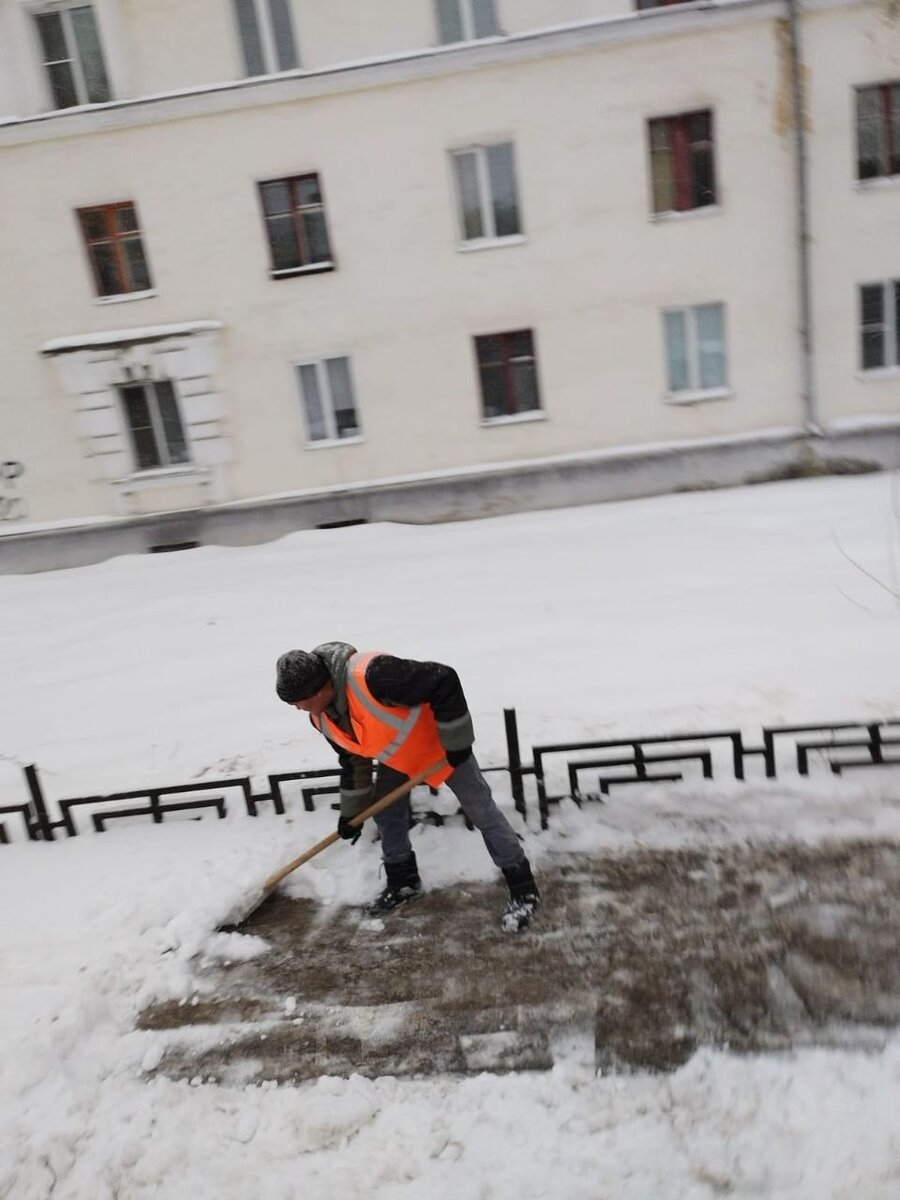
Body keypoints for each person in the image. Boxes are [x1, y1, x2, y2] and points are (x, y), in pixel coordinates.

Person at [275, 641, 540, 930]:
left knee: (482, 811)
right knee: (387, 814)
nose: (296, 708)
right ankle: (403, 882)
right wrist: (350, 815)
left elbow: (443, 679)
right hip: (399, 757)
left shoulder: (373, 675)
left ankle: (523, 887)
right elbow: (354, 761)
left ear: (320, 689)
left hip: (444, 750)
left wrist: (457, 741)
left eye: (298, 700)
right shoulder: (322, 717)